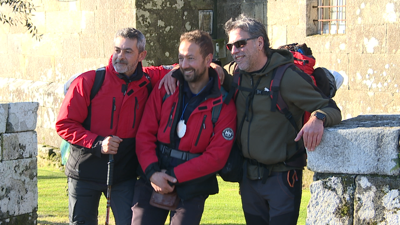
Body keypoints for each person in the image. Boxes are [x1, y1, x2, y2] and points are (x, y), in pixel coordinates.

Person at [222, 14, 342, 224]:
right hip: (249, 180)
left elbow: (329, 107)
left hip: (282, 179)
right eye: (230, 46)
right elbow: (202, 69)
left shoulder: (286, 76)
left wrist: (318, 118)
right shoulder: (238, 75)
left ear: (260, 43)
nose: (234, 51)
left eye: (240, 44)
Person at [55, 27, 173, 225]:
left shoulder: (148, 79)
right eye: (117, 50)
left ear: (141, 55)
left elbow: (187, 65)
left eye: (128, 52)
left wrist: (217, 69)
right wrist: (97, 142)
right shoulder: (88, 81)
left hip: (123, 176)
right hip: (84, 173)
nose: (120, 56)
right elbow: (64, 124)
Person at [131, 30, 237, 225]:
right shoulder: (165, 88)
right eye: (181, 58)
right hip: (154, 174)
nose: (184, 64)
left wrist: (173, 177)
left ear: (208, 59)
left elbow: (216, 157)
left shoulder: (224, 103)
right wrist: (153, 173)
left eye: (191, 58)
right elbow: (145, 134)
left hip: (193, 183)